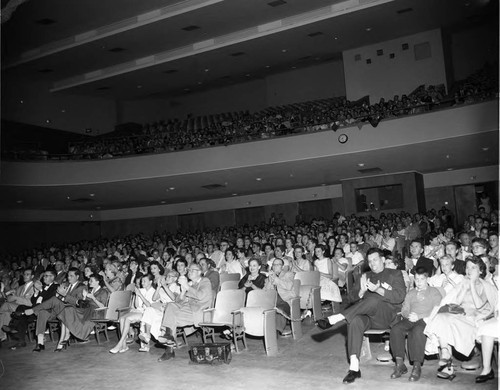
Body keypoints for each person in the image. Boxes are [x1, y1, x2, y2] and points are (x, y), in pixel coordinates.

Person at [314, 248, 406, 384]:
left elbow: (400, 297)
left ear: (383, 260)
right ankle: (354, 367)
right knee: (355, 320)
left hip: (387, 315)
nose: (372, 263)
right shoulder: (365, 275)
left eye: (375, 259)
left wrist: (378, 290)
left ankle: (336, 317)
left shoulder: (395, 273)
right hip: (368, 317)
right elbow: (351, 298)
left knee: (374, 300)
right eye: (369, 261)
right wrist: (362, 291)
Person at [423, 256, 497, 380]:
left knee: (447, 323)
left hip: (475, 320)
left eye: (473, 267)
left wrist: (472, 284)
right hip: (462, 317)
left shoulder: (485, 285)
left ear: (480, 271)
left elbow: (479, 306)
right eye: (467, 267)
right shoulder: (463, 282)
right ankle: (446, 353)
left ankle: (449, 366)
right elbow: (456, 303)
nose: (469, 270)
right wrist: (464, 287)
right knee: (440, 317)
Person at [389, 267, 443, 381]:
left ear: (427, 279)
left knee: (417, 331)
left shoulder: (434, 291)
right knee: (396, 329)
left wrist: (419, 316)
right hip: (410, 318)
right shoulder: (411, 293)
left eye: (421, 279)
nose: (418, 282)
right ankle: (399, 364)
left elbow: (438, 309)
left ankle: (416, 366)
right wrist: (406, 313)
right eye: (416, 279)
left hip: (426, 319)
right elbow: (405, 309)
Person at [157, 263, 213, 362]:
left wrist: (186, 286)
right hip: (187, 309)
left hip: (198, 311)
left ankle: (169, 349)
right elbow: (178, 301)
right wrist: (183, 292)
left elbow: (201, 296)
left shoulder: (205, 281)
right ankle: (169, 339)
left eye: (192, 270)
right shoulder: (191, 284)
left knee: (170, 318)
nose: (189, 272)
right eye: (189, 270)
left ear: (199, 272)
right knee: (170, 306)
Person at [24, 268, 86, 351]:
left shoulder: (81, 286)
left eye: (71, 276)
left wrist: (64, 296)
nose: (69, 278)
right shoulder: (66, 285)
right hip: (58, 310)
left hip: (72, 311)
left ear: (77, 276)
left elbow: (79, 303)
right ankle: (40, 343)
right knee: (42, 312)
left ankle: (33, 310)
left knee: (54, 299)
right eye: (68, 276)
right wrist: (60, 296)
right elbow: (60, 297)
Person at [4, 270, 58, 349]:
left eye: (46, 276)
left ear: (52, 277)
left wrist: (40, 290)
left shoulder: (55, 286)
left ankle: (14, 328)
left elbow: (50, 300)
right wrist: (36, 293)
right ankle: (19, 338)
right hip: (35, 309)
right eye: (44, 276)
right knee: (21, 308)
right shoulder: (42, 286)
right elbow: (33, 301)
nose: (44, 277)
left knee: (22, 314)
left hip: (46, 310)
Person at [54, 273, 109, 351]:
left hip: (95, 312)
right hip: (85, 310)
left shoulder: (103, 291)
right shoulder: (89, 290)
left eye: (91, 280)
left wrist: (93, 298)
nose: (89, 282)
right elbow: (83, 304)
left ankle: (63, 340)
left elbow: (103, 307)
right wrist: (84, 297)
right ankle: (65, 337)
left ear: (97, 282)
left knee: (68, 313)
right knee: (67, 310)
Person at [109, 273, 156, 354]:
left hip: (147, 313)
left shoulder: (153, 292)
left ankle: (120, 343)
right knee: (122, 318)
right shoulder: (141, 290)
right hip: (138, 311)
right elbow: (137, 305)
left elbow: (149, 306)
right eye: (142, 281)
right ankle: (124, 345)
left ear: (150, 282)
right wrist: (137, 296)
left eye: (144, 281)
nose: (142, 283)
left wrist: (140, 295)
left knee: (127, 319)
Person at [138, 270, 180, 352]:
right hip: (161, 309)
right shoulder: (163, 288)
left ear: (175, 279)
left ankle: (165, 340)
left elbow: (173, 298)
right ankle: (147, 335)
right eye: (166, 276)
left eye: (169, 276)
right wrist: (158, 287)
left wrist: (164, 286)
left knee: (154, 319)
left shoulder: (177, 287)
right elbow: (154, 299)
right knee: (148, 309)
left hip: (170, 311)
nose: (167, 278)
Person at [264, 258, 297, 336]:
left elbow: (289, 286)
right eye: (274, 265)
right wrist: (270, 280)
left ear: (282, 267)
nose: (275, 266)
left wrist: (276, 279)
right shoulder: (268, 277)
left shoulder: (288, 274)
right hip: (273, 301)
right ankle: (271, 332)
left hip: (284, 300)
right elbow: (266, 292)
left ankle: (273, 332)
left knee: (279, 307)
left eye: (278, 265)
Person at [0, 268, 35, 342]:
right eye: (24, 274)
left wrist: (16, 298)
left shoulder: (34, 286)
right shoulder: (20, 287)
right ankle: (2, 336)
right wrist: (14, 297)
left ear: (32, 276)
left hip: (27, 308)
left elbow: (30, 302)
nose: (25, 276)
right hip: (16, 307)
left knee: (5, 305)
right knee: (5, 314)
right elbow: (9, 298)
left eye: (27, 274)